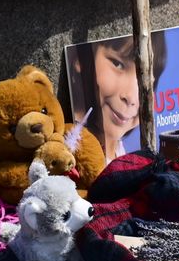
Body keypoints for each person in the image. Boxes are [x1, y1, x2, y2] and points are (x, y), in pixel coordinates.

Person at [69, 34, 168, 165]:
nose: (131, 98)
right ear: (80, 59)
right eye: (118, 64)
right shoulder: (71, 153)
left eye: (146, 79)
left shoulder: (119, 151)